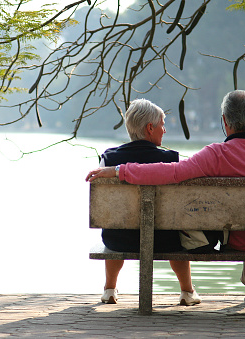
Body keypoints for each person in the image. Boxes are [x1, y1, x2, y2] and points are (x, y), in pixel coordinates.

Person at [86, 90, 245, 304]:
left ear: (224, 121)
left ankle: (112, 286)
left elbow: (172, 172)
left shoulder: (216, 154)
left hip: (239, 239)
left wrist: (120, 170)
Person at [97, 98, 201, 306]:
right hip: (164, 239)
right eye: (162, 125)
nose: (164, 130)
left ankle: (109, 289)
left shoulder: (107, 159)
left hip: (119, 239)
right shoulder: (171, 159)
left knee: (115, 222)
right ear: (150, 128)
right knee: (176, 231)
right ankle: (187, 291)